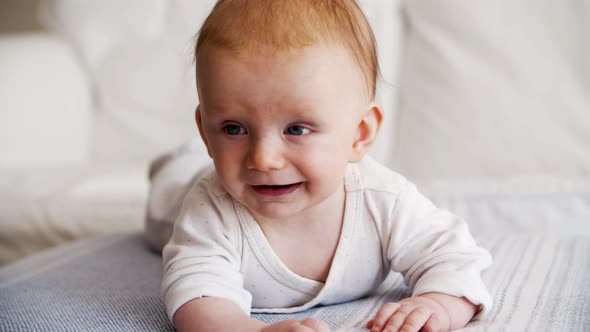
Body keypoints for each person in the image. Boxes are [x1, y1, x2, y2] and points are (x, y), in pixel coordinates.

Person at [159, 1, 493, 331]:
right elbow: (196, 295)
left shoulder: (383, 200)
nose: (263, 158)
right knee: (169, 192)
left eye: (297, 130)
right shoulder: (212, 210)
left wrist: (437, 303)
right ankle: (178, 162)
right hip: (172, 203)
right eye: (233, 128)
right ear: (206, 132)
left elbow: (455, 257)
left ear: (359, 135)